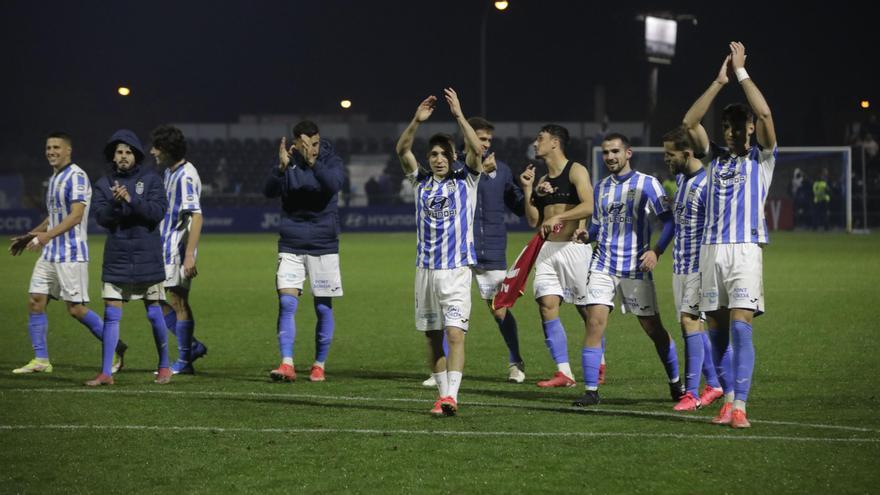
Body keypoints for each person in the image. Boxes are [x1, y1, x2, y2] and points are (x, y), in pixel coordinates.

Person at [682, 41, 776, 428]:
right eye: (727, 127)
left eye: (740, 126)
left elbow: (766, 110)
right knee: (717, 331)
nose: (733, 132)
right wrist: (719, 81)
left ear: (751, 128)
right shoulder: (716, 156)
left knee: (741, 326)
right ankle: (727, 398)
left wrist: (741, 73)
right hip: (710, 251)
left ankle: (740, 406)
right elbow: (689, 124)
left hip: (744, 250)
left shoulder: (763, 157)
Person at [573, 133, 684, 407]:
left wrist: (655, 251)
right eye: (606, 153)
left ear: (628, 153)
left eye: (615, 151)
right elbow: (598, 227)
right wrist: (587, 235)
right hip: (603, 265)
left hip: (634, 269)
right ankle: (590, 391)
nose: (610, 157)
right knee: (594, 322)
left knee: (653, 329)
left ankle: (676, 383)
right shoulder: (600, 188)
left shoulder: (648, 184)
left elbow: (669, 222)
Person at [9, 132, 126, 375]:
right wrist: (31, 235)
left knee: (76, 309)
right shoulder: (54, 178)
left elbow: (75, 216)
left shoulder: (77, 176)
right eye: (48, 147)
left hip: (71, 254)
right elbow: (55, 216)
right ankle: (41, 359)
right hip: (50, 253)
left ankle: (116, 346)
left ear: (68, 151)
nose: (51, 151)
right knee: (35, 301)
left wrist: (45, 237)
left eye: (56, 147)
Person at [421, 116, 526, 387]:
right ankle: (442, 372)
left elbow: (519, 206)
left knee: (499, 310)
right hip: (455, 253)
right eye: (480, 138)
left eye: (489, 140)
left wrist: (528, 190)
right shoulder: (453, 170)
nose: (485, 144)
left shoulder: (501, 170)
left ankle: (516, 362)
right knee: (447, 312)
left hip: (490, 250)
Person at [396, 89, 483, 416]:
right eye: (433, 154)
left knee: (455, 333)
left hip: (457, 269)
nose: (438, 158)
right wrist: (416, 121)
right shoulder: (419, 181)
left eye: (444, 153)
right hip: (426, 272)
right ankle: (443, 396)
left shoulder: (467, 180)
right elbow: (402, 149)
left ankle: (452, 397)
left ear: (453, 157)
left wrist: (459, 115)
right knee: (433, 338)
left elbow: (477, 149)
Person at [87, 130, 171, 386]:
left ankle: (164, 366)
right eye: (119, 152)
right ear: (113, 156)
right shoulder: (103, 183)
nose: (123, 156)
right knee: (112, 312)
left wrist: (131, 200)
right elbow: (101, 218)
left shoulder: (152, 179)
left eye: (128, 152)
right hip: (118, 256)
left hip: (147, 255)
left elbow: (156, 213)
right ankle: (105, 373)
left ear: (136, 155)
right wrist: (115, 204)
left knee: (154, 312)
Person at [264, 120, 346, 383]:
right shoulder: (288, 162)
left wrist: (313, 163)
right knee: (287, 302)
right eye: (305, 143)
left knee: (322, 307)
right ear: (296, 143)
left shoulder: (331, 161)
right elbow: (268, 191)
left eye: (316, 143)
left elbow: (333, 184)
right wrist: (280, 169)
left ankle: (318, 364)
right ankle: (287, 362)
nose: (311, 147)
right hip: (291, 242)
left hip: (324, 244)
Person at [518, 124, 594, 389]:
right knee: (546, 306)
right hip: (547, 250)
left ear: (555, 143)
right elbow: (533, 220)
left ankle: (600, 362)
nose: (535, 142)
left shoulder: (576, 170)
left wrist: (561, 216)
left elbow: (588, 205)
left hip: (574, 250)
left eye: (540, 138)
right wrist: (529, 190)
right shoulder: (542, 182)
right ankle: (565, 372)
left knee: (587, 310)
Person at [662, 126, 729, 411]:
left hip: (699, 266)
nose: (666, 159)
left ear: (687, 153)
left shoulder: (707, 184)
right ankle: (713, 384)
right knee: (691, 325)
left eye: (670, 154)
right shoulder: (682, 179)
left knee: (691, 321)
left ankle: (690, 393)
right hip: (680, 266)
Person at [151, 125, 208, 374]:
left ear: (167, 150)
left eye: (157, 148)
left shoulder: (185, 175)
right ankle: (191, 347)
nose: (152, 152)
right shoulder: (169, 172)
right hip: (164, 247)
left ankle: (184, 361)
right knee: (156, 299)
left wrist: (188, 255)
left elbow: (196, 216)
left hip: (177, 249)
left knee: (178, 301)